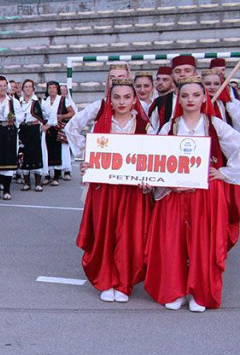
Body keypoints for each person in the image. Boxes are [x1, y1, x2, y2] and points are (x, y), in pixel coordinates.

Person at [145, 79, 240, 311]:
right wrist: (162, 181)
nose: (190, 100)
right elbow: (155, 156)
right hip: (174, 193)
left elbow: (237, 147)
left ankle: (199, 292)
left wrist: (224, 172)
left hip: (205, 194)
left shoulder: (214, 125)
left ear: (203, 98)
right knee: (173, 242)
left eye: (196, 95)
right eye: (185, 95)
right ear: (178, 98)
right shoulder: (170, 126)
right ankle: (175, 289)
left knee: (202, 243)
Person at [66, 77, 151, 303]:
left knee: (128, 236)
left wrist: (149, 179)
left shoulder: (145, 127)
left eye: (126, 97)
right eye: (116, 97)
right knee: (104, 233)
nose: (121, 102)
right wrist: (86, 160)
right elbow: (82, 141)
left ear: (135, 100)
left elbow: (153, 160)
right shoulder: (100, 126)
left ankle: (124, 282)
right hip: (104, 189)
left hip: (131, 191)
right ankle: (106, 280)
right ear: (109, 100)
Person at [15, 79, 48, 192]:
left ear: (33, 89)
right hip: (23, 129)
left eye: (30, 87)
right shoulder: (18, 101)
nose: (28, 89)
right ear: (23, 89)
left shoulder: (38, 100)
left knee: (36, 153)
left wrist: (46, 125)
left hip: (34, 129)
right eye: (26, 87)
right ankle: (26, 182)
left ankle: (38, 183)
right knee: (24, 154)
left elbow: (50, 113)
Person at [42, 80, 75, 185]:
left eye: (54, 88)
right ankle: (47, 175)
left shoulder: (63, 100)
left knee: (58, 151)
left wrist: (62, 116)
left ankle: (56, 176)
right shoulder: (44, 101)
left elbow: (72, 112)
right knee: (47, 151)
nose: (51, 90)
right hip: (47, 129)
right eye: (49, 88)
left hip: (58, 128)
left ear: (57, 89)